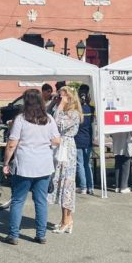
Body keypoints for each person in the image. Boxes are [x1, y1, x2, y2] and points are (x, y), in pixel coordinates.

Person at [2, 89, 61, 245]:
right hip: (44, 164)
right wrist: (44, 142)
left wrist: (6, 162)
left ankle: (13, 234)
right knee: (41, 201)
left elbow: (12, 143)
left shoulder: (20, 119)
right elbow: (57, 140)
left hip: (24, 164)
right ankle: (41, 235)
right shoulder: (48, 118)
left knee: (18, 200)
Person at [50, 85, 81, 234]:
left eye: (61, 96)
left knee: (66, 183)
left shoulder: (73, 113)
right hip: (60, 147)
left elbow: (57, 125)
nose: (59, 99)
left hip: (67, 148)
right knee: (61, 182)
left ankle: (67, 220)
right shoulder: (63, 111)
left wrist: (60, 106)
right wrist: (55, 104)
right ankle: (65, 219)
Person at [75, 84, 96, 195]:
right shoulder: (92, 109)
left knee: (80, 164)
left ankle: (83, 187)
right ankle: (90, 187)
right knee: (87, 164)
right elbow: (93, 124)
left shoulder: (76, 109)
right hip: (88, 140)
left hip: (78, 139)